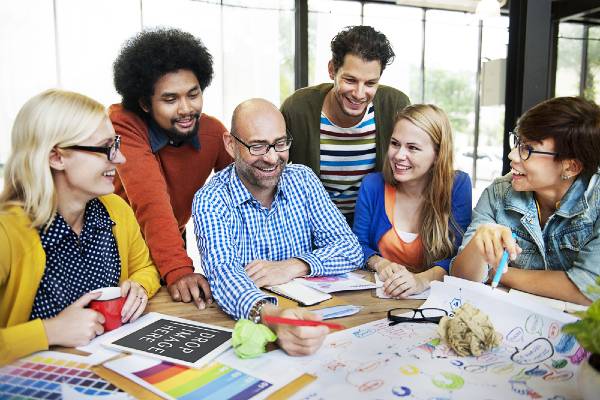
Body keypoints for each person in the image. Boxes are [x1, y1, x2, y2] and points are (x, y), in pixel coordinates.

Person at [0, 89, 161, 364]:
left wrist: (140, 286)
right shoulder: (7, 233)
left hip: (109, 367)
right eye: (105, 147)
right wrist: (49, 331)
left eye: (117, 143)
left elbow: (145, 267)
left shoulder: (116, 211)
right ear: (56, 157)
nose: (119, 158)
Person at [192, 99, 363, 355]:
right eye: (257, 146)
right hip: (254, 326)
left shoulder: (303, 179)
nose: (272, 158)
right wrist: (274, 317)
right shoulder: (211, 198)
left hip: (314, 318)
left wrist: (294, 265)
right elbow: (223, 273)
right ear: (230, 145)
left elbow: (350, 248)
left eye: (280, 144)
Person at [110, 28, 232, 309]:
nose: (186, 109)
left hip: (170, 243)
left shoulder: (213, 131)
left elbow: (245, 185)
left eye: (193, 94)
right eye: (170, 99)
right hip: (124, 251)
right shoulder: (123, 124)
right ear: (144, 103)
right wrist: (178, 268)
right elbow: (151, 200)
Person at [451, 96, 600, 305]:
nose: (512, 155)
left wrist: (498, 273)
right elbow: (461, 278)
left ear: (571, 166)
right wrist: (478, 246)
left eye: (527, 149)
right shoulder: (498, 193)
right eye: (517, 142)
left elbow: (589, 289)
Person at [281, 25, 410, 223]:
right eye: (350, 80)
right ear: (332, 70)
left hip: (371, 223)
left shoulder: (395, 106)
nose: (359, 94)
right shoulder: (297, 108)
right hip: (311, 221)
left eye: (370, 84)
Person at [353, 104, 472, 298]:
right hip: (380, 298)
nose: (399, 155)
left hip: (434, 300)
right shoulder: (372, 185)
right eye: (395, 144)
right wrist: (379, 263)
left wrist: (422, 280)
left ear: (437, 155)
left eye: (413, 148)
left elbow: (459, 257)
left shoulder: (457, 186)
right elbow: (357, 245)